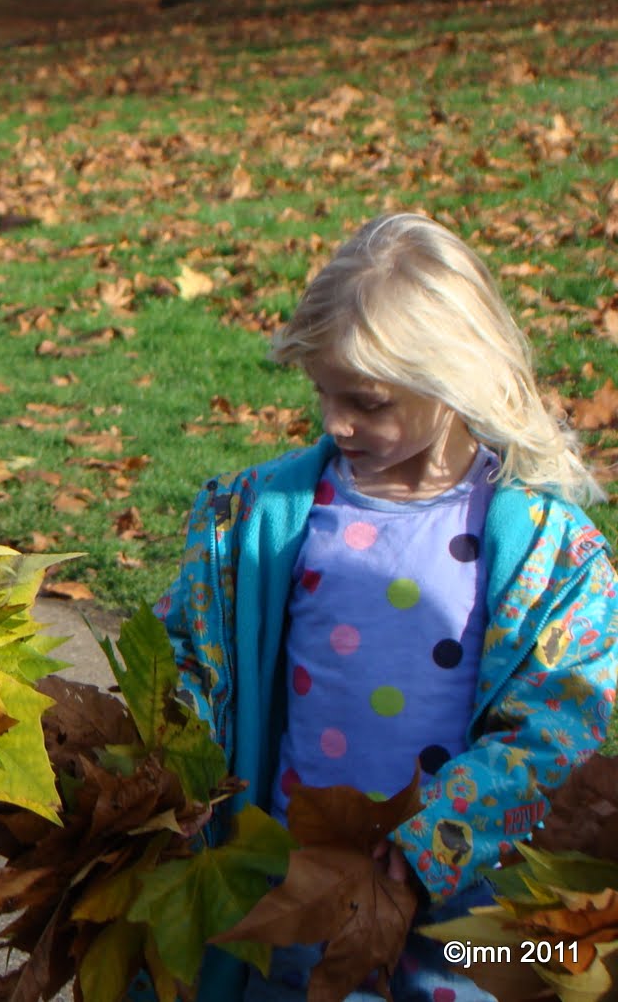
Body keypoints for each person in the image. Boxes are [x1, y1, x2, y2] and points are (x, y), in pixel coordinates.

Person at [154, 213, 618, 1001]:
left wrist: (440, 838)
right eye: (324, 394)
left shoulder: (543, 549)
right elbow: (197, 659)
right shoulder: (266, 518)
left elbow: (566, 717)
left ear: (452, 382)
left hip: (465, 909)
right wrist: (167, 762)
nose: (336, 423)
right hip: (295, 893)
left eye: (365, 403)